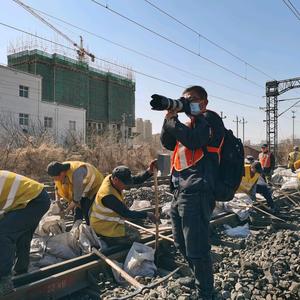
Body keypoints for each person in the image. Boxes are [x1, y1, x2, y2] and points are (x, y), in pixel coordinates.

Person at [160, 85, 225, 300]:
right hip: (180, 191)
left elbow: (195, 140)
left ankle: (206, 292)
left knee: (197, 248)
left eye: (191, 99)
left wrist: (176, 122)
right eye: (184, 100)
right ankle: (199, 278)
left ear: (204, 102)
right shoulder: (189, 125)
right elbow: (168, 142)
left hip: (198, 192)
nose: (187, 103)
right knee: (180, 242)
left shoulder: (210, 120)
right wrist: (169, 117)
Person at [0, 171, 50, 296]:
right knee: (22, 235)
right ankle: (21, 269)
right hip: (35, 198)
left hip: (33, 201)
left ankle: (4, 281)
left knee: (4, 234)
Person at [90, 160, 158, 247]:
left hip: (110, 221)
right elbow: (126, 214)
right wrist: (148, 214)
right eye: (124, 184)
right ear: (115, 180)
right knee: (135, 236)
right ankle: (107, 240)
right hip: (103, 226)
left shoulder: (112, 178)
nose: (126, 186)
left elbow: (136, 180)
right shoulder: (108, 195)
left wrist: (149, 171)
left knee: (136, 219)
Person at [47, 161, 104, 225]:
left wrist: (67, 210)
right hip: (82, 186)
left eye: (55, 177)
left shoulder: (77, 175)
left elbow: (77, 198)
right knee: (78, 207)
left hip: (95, 186)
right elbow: (57, 187)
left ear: (62, 173)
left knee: (86, 209)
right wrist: (58, 202)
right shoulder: (59, 168)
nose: (54, 179)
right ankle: (76, 226)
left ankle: (90, 228)